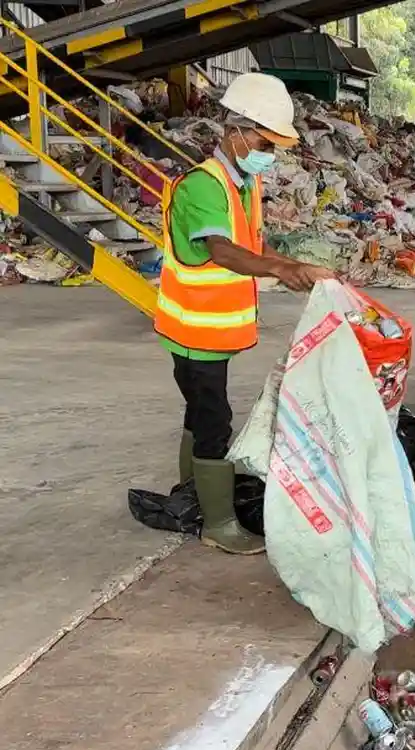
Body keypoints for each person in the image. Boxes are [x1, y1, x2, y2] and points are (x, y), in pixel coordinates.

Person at [153, 73, 335, 556]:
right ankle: (219, 522)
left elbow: (253, 245)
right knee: (214, 419)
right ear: (235, 131)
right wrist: (285, 267)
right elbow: (224, 252)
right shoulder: (201, 187)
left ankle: (191, 494)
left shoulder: (243, 182)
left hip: (211, 329)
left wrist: (292, 267)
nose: (269, 154)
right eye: (263, 141)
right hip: (193, 327)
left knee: (200, 411)